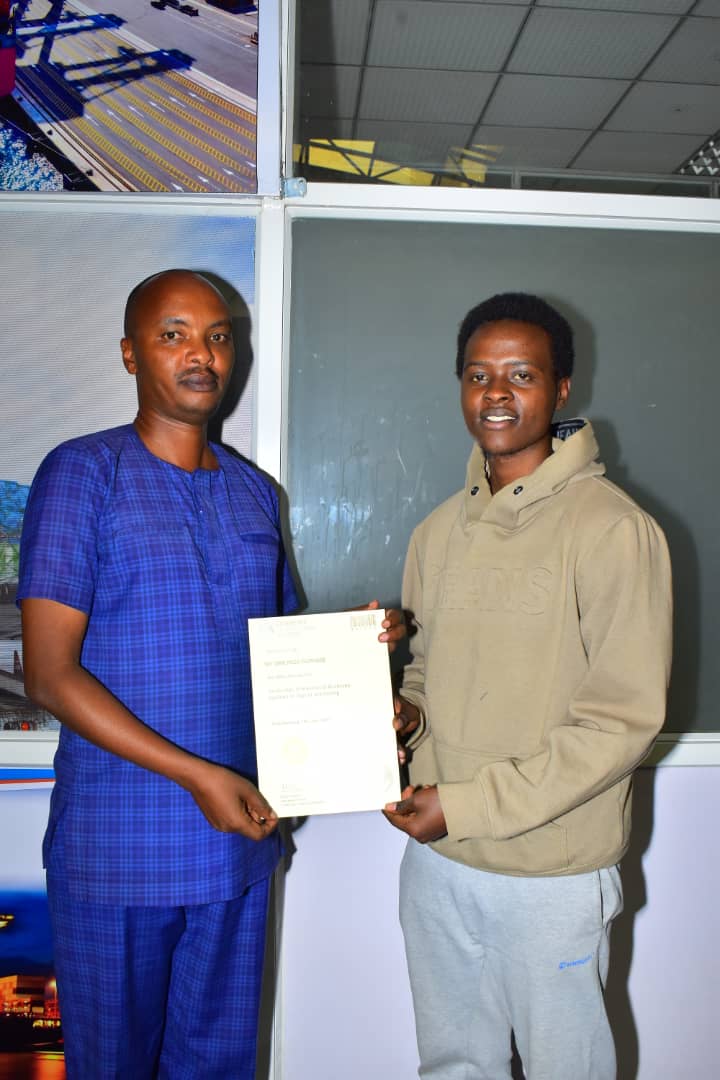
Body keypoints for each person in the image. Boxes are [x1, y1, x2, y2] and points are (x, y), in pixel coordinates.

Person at [18, 269, 403, 1079]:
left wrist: (366, 668)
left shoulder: (256, 495)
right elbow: (51, 677)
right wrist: (197, 775)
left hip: (237, 846)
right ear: (131, 354)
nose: (202, 353)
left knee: (220, 1065)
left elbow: (281, 651)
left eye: (219, 336)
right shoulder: (83, 474)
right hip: (117, 851)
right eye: (174, 334)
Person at [384, 292, 672, 1080]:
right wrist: (396, 715)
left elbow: (620, 725)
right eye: (479, 375)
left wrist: (469, 804)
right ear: (460, 387)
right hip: (441, 864)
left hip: (552, 878)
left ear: (562, 389)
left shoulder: (613, 530)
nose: (497, 393)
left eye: (522, 374)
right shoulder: (437, 532)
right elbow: (426, 681)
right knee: (450, 1067)